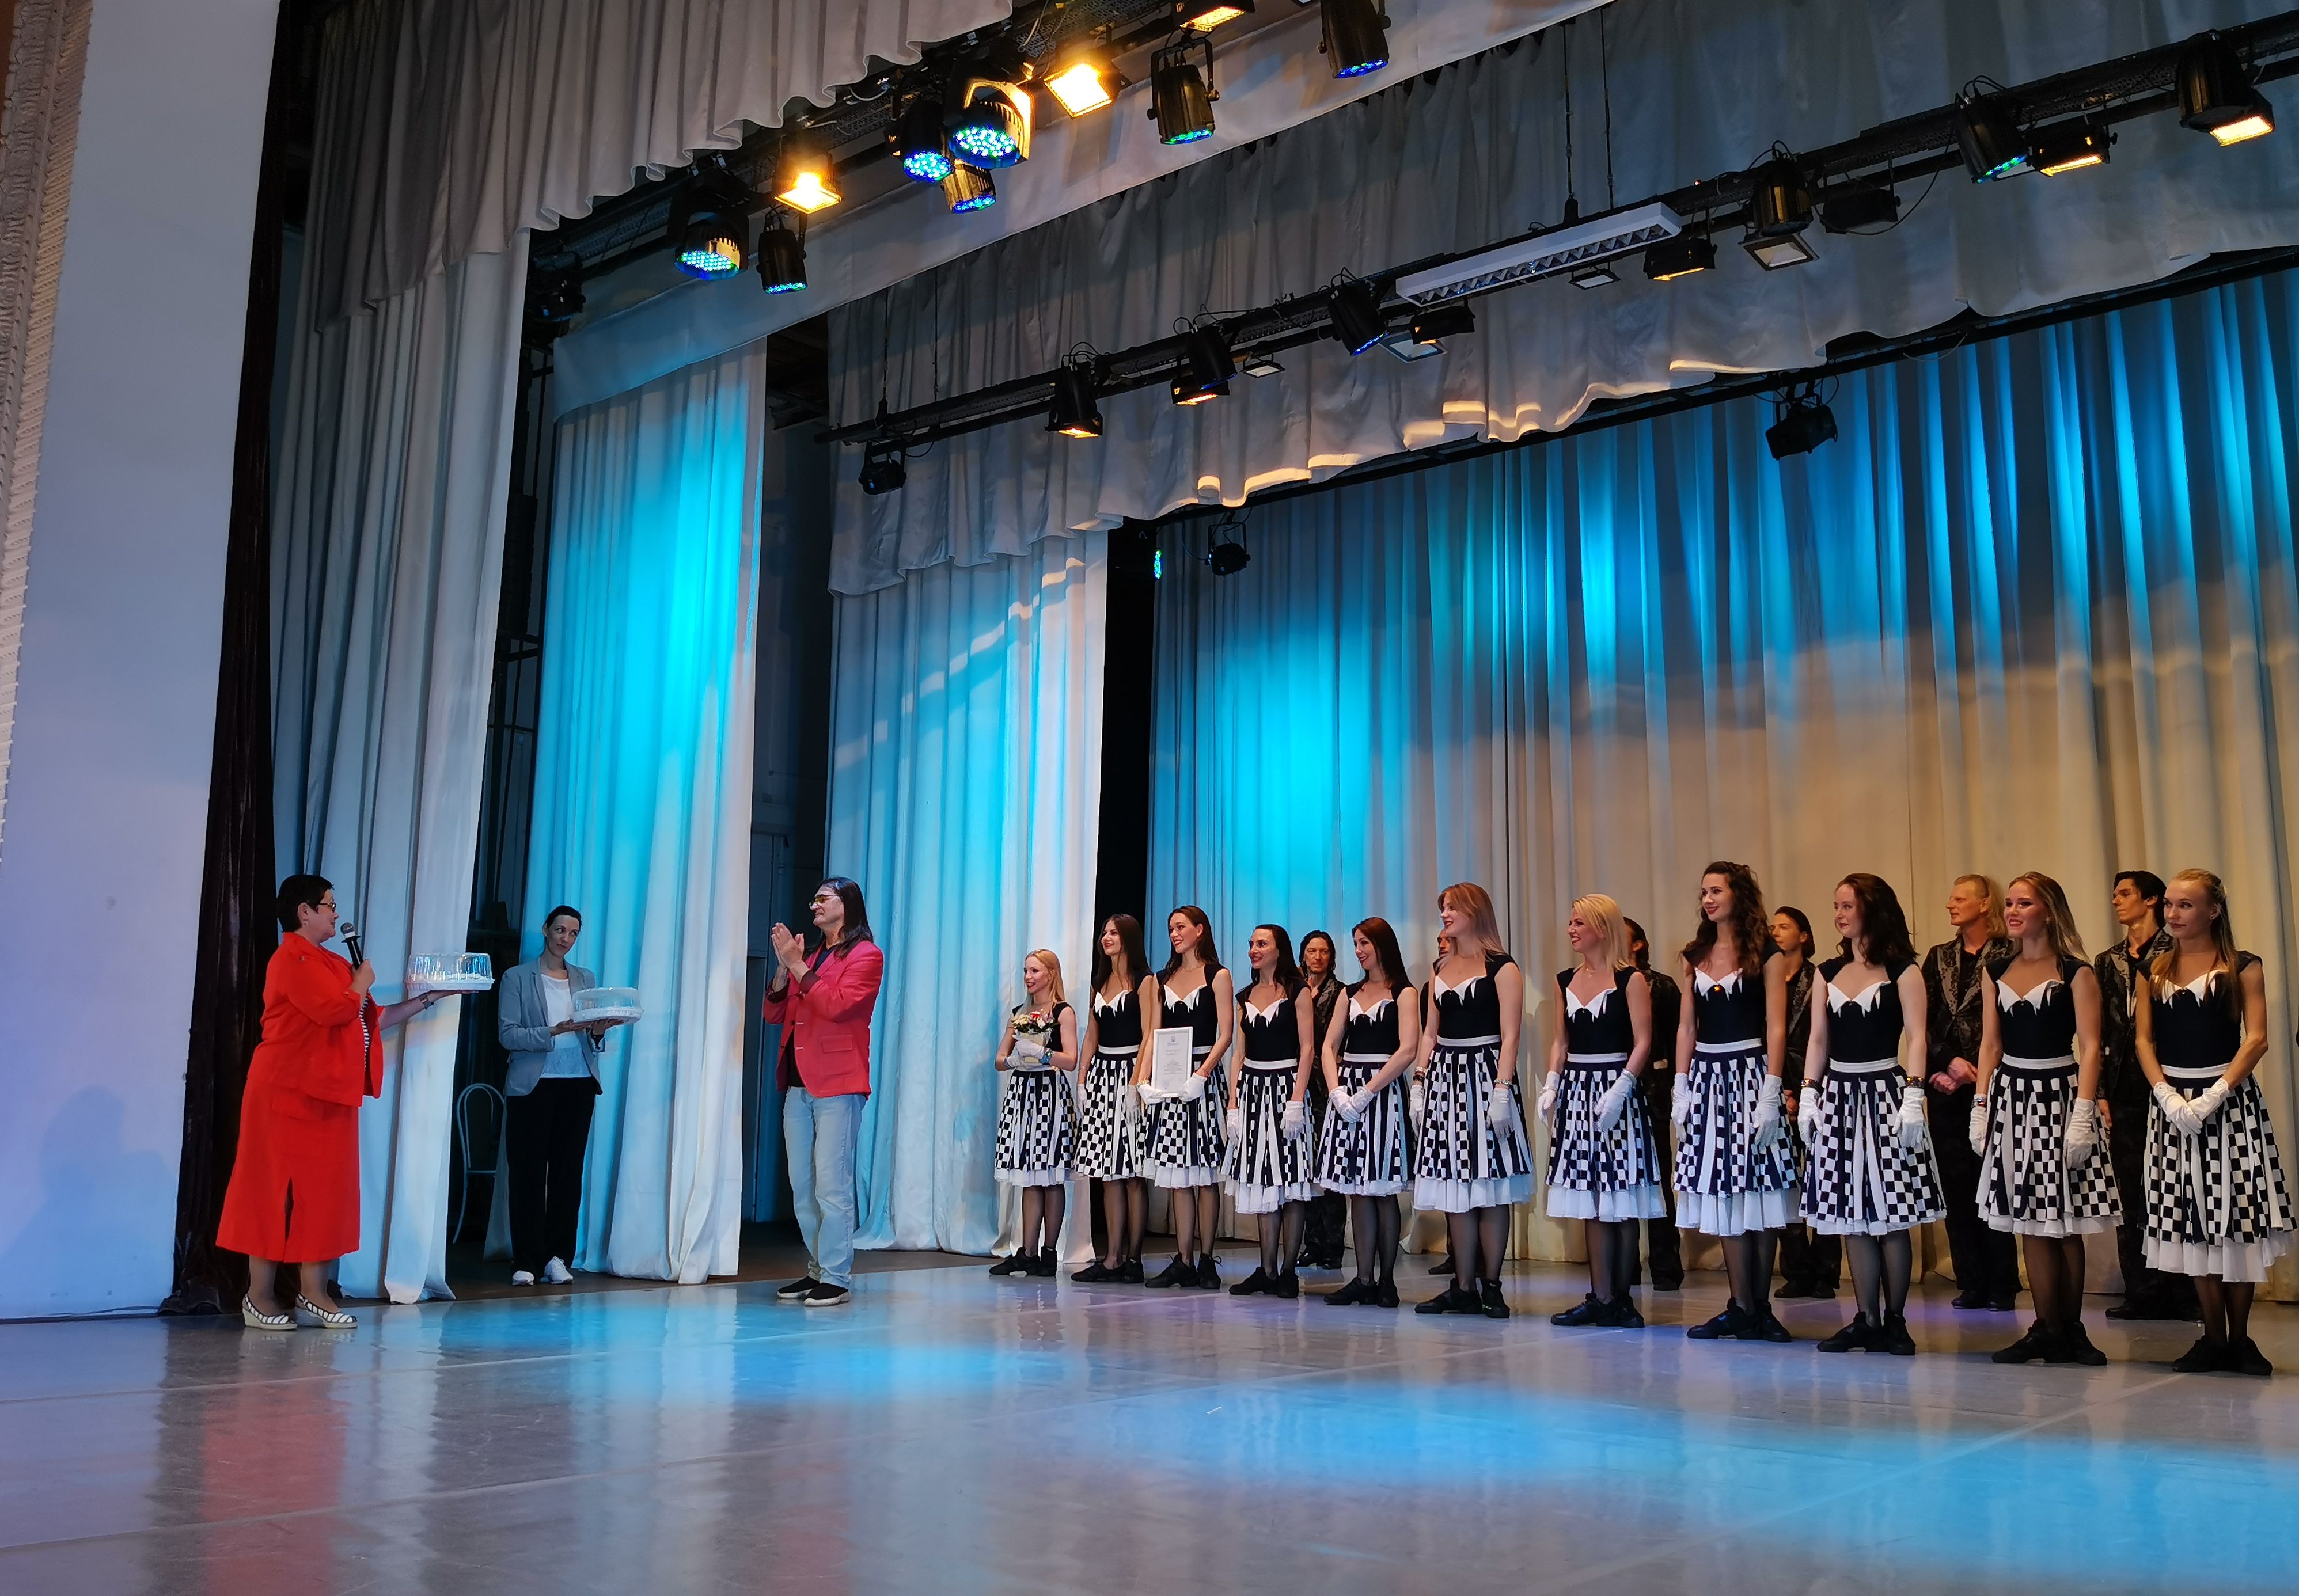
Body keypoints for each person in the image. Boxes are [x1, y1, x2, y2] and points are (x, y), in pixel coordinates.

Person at [220, 875, 444, 1329]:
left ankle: (313, 1292)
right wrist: (360, 983)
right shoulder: (290, 959)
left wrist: (428, 999)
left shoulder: (334, 964)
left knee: (325, 1194)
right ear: (304, 912)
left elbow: (368, 1020)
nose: (336, 914)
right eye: (328, 905)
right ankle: (258, 1297)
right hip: (284, 1093)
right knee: (271, 1191)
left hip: (328, 1094)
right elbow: (334, 1011)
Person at [2134, 870, 2294, 1374]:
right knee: (2193, 1216)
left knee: (2236, 1214)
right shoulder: (2153, 969)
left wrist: (2216, 1094)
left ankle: (2241, 1340)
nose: (2173, 914)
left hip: (2229, 1103)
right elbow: (2143, 1039)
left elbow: (2257, 1037)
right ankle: (2212, 1337)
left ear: (2214, 911)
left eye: (2185, 905)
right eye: (2170, 905)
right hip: (2173, 1106)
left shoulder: (2242, 966)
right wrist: (2165, 1094)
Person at [1974, 872, 2117, 1365]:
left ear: (2049, 911)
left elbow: (2092, 1046)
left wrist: (2083, 1112)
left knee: (2066, 1218)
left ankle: (2072, 1329)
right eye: (2010, 903)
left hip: (2060, 1093)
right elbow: (1990, 1044)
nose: (2012, 911)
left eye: (2024, 903)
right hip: (2013, 1096)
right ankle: (2044, 1327)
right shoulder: (1995, 970)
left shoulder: (2075, 971)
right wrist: (1980, 1103)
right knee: (2030, 1219)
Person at [1797, 875, 1942, 1356]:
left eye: (1848, 906)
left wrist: (1914, 1094)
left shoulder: (1903, 970)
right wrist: (1810, 1092)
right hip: (1839, 1094)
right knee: (1852, 1213)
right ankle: (1866, 1318)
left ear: (1872, 909)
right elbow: (1818, 1039)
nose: (1839, 915)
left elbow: (1917, 1037)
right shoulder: (1827, 971)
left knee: (1891, 1212)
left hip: (1885, 1091)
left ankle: (1896, 1321)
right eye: (1836, 906)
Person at [1674, 861, 1799, 1343]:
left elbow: (1776, 1026)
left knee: (1758, 1187)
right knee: (1723, 1189)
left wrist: (1771, 1089)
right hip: (1708, 1076)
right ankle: (1739, 1305)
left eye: (1716, 891)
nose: (1707, 899)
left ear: (1738, 895)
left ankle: (1760, 1307)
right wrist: (1681, 1084)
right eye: (1704, 892)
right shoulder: (1695, 955)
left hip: (1749, 1073)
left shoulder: (1765, 953)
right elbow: (1687, 1026)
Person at [1541, 894, 1667, 1329]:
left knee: (1621, 1195)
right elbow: (1561, 1040)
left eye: (1579, 923)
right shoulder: (1564, 980)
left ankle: (1623, 1299)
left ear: (1601, 927)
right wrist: (1552, 1081)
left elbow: (1643, 1039)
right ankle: (1600, 1296)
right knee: (1592, 1197)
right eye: (1571, 922)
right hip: (1578, 1089)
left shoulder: (1631, 979)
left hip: (1617, 1088)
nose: (1571, 930)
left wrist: (1623, 1086)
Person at [1413, 883, 1534, 1319]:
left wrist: (1502, 1089)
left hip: (1485, 1075)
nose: (1445, 914)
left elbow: (1510, 1034)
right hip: (1445, 1078)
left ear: (1475, 912)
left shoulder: (1502, 966)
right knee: (1454, 1184)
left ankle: (1492, 1286)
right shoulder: (1440, 967)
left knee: (1491, 1184)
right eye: (1443, 907)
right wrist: (1419, 1081)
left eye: (1453, 908)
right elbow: (1430, 1032)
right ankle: (1462, 1285)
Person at [764, 878, 884, 1309]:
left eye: (823, 898)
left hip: (838, 1082)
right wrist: (785, 970)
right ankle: (817, 1269)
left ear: (847, 904)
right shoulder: (811, 956)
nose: (814, 904)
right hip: (798, 1083)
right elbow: (775, 1013)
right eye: (812, 898)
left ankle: (836, 1275)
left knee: (832, 1185)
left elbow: (837, 1005)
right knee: (803, 1186)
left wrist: (797, 965)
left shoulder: (866, 955)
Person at [496, 906, 623, 1287]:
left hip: (578, 1084)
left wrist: (599, 1031)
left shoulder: (586, 978)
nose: (565, 938)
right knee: (528, 1174)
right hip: (532, 1087)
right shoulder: (517, 977)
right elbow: (508, 1035)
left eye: (573, 933)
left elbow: (591, 1038)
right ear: (545, 930)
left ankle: (557, 1258)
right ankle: (526, 1260)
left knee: (568, 1175)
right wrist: (555, 1030)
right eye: (560, 930)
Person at [2094, 870, 2195, 1323]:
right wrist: (2100, 1091)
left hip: (2170, 1080)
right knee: (2130, 1190)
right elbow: (2097, 1029)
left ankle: (2186, 1292)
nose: (2116, 901)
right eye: (2114, 894)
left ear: (2151, 899)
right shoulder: (2108, 960)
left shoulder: (2176, 950)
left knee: (2176, 1186)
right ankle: (2141, 1290)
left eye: (2125, 893)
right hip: (2123, 1085)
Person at [1921, 875, 2021, 1312]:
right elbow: (1920, 1019)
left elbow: (2014, 1022)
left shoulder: (2010, 953)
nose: (1950, 904)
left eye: (1959, 898)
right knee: (1956, 1183)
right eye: (1950, 897)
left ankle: (2003, 1282)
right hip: (1944, 1086)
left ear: (1984, 904)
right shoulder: (1938, 956)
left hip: (1994, 1084)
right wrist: (1945, 1063)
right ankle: (1971, 1279)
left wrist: (1975, 1073)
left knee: (1994, 1182)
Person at [1312, 917, 1417, 1306]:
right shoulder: (1350, 993)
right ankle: (1363, 1278)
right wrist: (1338, 1091)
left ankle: (1387, 1281)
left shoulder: (1404, 992)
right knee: (1357, 1190)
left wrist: (1368, 1092)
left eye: (1364, 943)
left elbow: (1408, 1049)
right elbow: (1328, 1046)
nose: (1358, 950)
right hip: (1349, 1093)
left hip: (1383, 1093)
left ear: (1382, 944)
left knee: (1383, 1191)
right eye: (1356, 943)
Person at [1140, 906, 1233, 1289]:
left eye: (1180, 927)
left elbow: (1226, 1034)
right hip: (1169, 1079)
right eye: (1170, 928)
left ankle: (1207, 1259)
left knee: (1206, 1173)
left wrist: (1202, 1074)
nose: (1174, 933)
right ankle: (1183, 1259)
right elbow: (1154, 1032)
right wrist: (1143, 1080)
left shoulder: (1218, 975)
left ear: (1200, 930)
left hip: (1202, 1079)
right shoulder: (1161, 979)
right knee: (1178, 1174)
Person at [1224, 925, 1317, 1297]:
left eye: (1262, 944)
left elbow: (1307, 1048)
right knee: (1262, 1178)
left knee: (1290, 1180)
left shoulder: (1298, 991)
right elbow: (1239, 1053)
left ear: (1280, 950)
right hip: (1252, 1090)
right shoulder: (1245, 996)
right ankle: (1267, 1269)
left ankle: (1289, 1270)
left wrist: (1297, 1099)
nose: (1254, 949)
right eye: (1251, 944)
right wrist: (1233, 1102)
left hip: (1285, 1087)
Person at [990, 950, 1080, 1278]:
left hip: (1050, 1095)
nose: (1028, 977)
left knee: (1051, 1175)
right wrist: (1014, 1060)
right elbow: (999, 1059)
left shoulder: (1063, 1012)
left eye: (1035, 971)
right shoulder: (1020, 1013)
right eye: (1026, 971)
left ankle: (1049, 1253)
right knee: (1030, 1175)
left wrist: (1043, 1054)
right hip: (1024, 1094)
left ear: (1051, 974)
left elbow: (1071, 1059)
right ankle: (1027, 1251)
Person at [1072, 915, 1152, 1283]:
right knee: (1107, 1171)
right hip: (1103, 1074)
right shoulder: (1099, 983)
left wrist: (1137, 1083)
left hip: (1132, 1072)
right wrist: (1082, 1076)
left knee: (1133, 1172)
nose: (1107, 938)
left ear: (1129, 938)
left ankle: (1134, 1258)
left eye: (1114, 933)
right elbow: (1092, 1033)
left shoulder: (1145, 980)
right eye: (1104, 933)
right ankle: (1112, 1258)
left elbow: (1151, 1033)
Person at [1770, 906, 1841, 1302]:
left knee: (1823, 1177)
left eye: (1785, 926)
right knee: (1786, 1180)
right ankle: (1796, 1270)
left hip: (1819, 1083)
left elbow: (1828, 1036)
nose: (1776, 932)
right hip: (1775, 1086)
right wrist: (1779, 1089)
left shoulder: (1821, 977)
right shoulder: (1764, 977)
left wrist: (1809, 1090)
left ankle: (1825, 1272)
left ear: (1804, 935)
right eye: (1772, 926)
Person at [1624, 919, 1684, 1291]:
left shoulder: (1661, 985)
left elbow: (1680, 1036)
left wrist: (1676, 1084)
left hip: (1654, 1091)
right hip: (1616, 1092)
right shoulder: (1606, 982)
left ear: (1639, 944)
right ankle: (1625, 1265)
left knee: (1659, 1176)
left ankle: (1665, 1266)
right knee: (1622, 1179)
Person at [1294, 931, 1350, 1270]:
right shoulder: (1293, 988)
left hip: (1327, 1084)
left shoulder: (1340, 991)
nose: (1317, 957)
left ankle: (1332, 1246)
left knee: (1330, 1168)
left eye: (1324, 952)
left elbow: (1342, 1039)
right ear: (1302, 955)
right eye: (1312, 951)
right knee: (1305, 1166)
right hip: (1297, 1083)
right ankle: (1311, 1243)